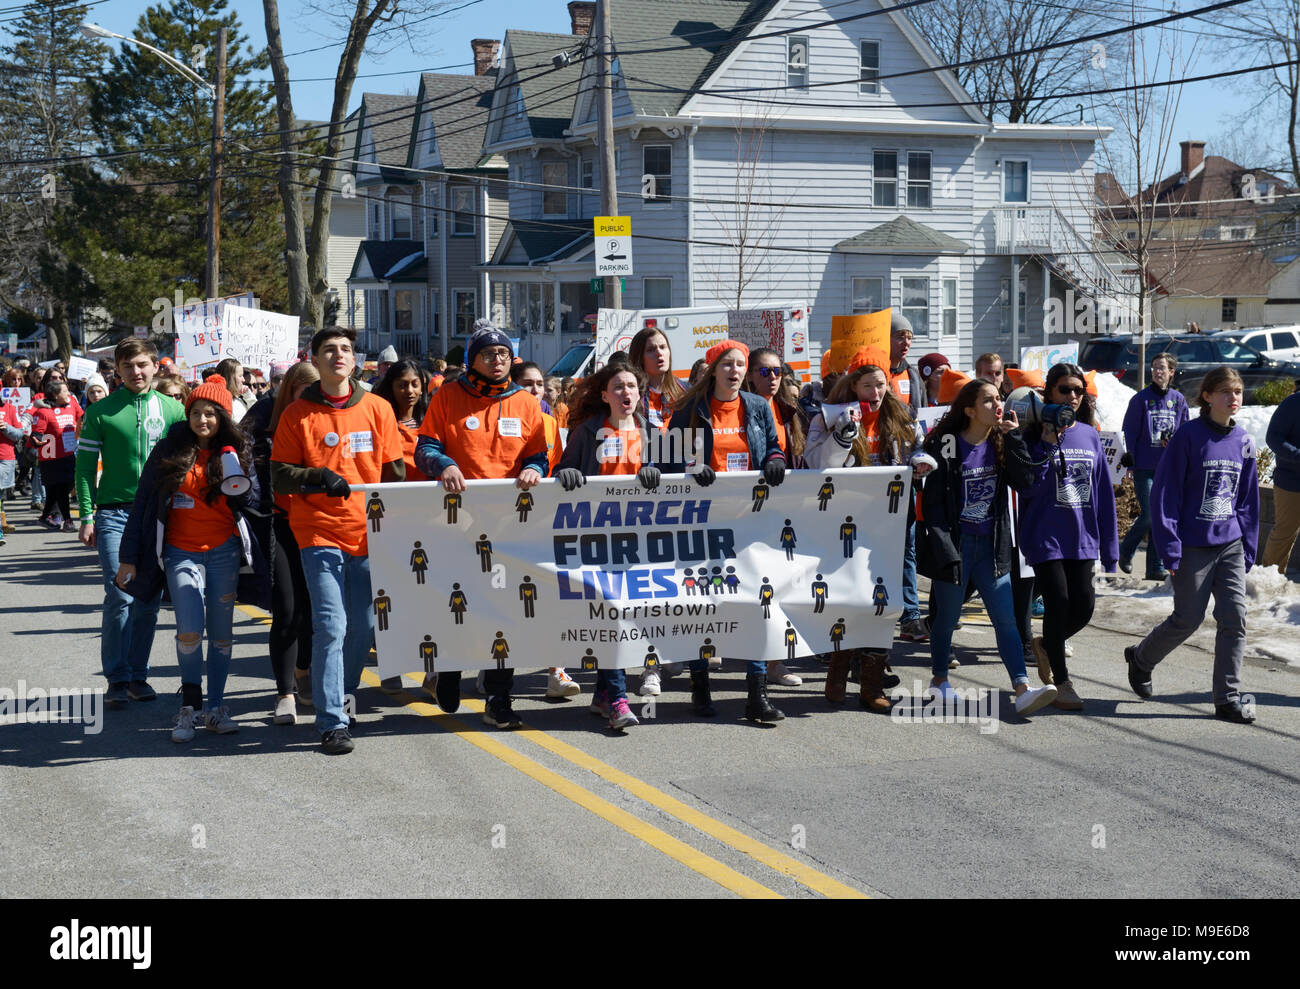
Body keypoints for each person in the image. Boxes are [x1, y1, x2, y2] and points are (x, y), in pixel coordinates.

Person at [272, 327, 405, 755]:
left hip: (367, 532)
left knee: (363, 627)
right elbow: (278, 475)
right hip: (317, 531)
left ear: (355, 359)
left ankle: (344, 692)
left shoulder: (379, 408)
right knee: (331, 624)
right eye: (329, 350)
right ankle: (331, 722)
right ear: (315, 359)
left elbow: (394, 473)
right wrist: (317, 477)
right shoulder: (298, 414)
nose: (338, 356)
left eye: (346, 349)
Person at [115, 376, 265, 742]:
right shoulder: (169, 451)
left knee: (223, 635)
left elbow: (257, 503)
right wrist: (128, 557)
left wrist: (237, 479)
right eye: (196, 413)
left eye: (211, 414)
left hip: (224, 553)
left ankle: (215, 708)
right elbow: (143, 507)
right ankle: (189, 708)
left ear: (223, 418)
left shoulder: (238, 451)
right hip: (180, 552)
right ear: (188, 415)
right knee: (190, 631)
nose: (203, 420)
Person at [415, 322, 549, 727]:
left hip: (508, 524)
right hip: (457, 520)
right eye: (489, 354)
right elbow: (426, 447)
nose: (497, 361)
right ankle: (449, 673)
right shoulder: (448, 396)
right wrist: (445, 464)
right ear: (472, 358)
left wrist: (532, 469)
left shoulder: (525, 402)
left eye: (504, 354)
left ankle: (499, 697)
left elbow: (539, 455)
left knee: (503, 610)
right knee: (460, 602)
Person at [1125, 367, 1259, 723]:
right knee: (1187, 618)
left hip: (1229, 543)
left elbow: (1246, 500)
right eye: (1227, 392)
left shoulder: (1244, 441)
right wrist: (1170, 546)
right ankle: (1141, 660)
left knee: (1235, 619)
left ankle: (1227, 698)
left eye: (1239, 392)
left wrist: (1249, 544)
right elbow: (1165, 496)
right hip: (1192, 545)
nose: (1234, 398)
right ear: (1208, 396)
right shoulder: (1188, 437)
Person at [664, 339, 788, 724]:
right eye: (728, 364)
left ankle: (757, 694)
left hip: (750, 520)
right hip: (701, 521)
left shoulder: (756, 406)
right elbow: (665, 457)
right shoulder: (688, 409)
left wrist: (774, 460)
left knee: (756, 603)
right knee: (702, 605)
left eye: (741, 365)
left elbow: (772, 446)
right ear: (714, 369)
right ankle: (700, 687)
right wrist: (689, 467)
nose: (735, 371)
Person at [805, 346, 935, 709]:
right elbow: (815, 464)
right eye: (867, 386)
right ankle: (839, 670)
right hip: (844, 525)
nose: (875, 393)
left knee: (884, 603)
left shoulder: (900, 414)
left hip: (888, 525)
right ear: (852, 386)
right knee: (848, 601)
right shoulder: (827, 418)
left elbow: (915, 450)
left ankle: (872, 687)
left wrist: (922, 462)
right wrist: (842, 437)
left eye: (880, 385)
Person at [920, 379, 1059, 715]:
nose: (997, 404)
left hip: (991, 545)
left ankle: (1022, 687)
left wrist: (1013, 439)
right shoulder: (946, 443)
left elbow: (1026, 484)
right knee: (947, 618)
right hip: (955, 545)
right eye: (988, 401)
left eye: (998, 398)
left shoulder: (1002, 438)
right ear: (969, 410)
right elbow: (933, 504)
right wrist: (943, 547)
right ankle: (939, 680)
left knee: (1007, 620)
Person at [76, 338, 187, 709]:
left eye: (142, 364)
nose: (136, 372)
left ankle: (139, 674)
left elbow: (189, 464)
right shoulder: (100, 412)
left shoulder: (174, 410)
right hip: (115, 513)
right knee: (120, 595)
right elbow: (85, 469)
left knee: (148, 600)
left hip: (159, 515)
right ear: (117, 371)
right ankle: (117, 678)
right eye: (128, 366)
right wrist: (87, 515)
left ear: (156, 366)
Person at [554, 362, 662, 729]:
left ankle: (602, 695)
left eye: (632, 386)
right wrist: (568, 474)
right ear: (604, 395)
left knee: (622, 616)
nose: (626, 393)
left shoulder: (651, 432)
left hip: (639, 542)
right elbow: (564, 472)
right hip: (597, 541)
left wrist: (657, 473)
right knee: (612, 615)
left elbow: (676, 477)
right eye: (618, 387)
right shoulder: (587, 431)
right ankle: (617, 697)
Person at [1019, 363, 1119, 710]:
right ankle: (1061, 681)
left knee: (1084, 606)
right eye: (1065, 389)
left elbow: (1103, 493)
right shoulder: (1031, 434)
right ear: (1049, 393)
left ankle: (1047, 645)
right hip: (1045, 535)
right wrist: (1045, 443)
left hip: (1082, 536)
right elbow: (1027, 487)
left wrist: (1111, 546)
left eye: (1078, 390)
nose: (1073, 396)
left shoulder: (1090, 434)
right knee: (1058, 601)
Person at [1120, 353, 1189, 579]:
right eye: (1154, 367)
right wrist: (1130, 460)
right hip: (1144, 467)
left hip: (1168, 468)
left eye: (1162, 368)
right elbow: (1130, 431)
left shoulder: (1178, 400)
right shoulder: (1140, 399)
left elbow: (1186, 431)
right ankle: (1125, 550)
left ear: (1171, 372)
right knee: (1150, 514)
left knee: (1161, 517)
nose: (1157, 371)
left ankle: (1155, 568)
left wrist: (1176, 443)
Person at [26, 380, 81, 530]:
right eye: (65, 391)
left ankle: (44, 517)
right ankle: (68, 521)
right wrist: (36, 440)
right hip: (51, 459)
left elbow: (83, 418)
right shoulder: (44, 412)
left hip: (69, 454)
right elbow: (37, 433)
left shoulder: (72, 405)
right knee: (61, 490)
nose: (69, 393)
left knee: (61, 489)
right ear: (56, 395)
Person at [1261, 384, 1300, 572]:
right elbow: (1273, 437)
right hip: (1292, 481)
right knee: (1284, 533)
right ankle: (1268, 581)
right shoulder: (1292, 403)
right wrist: (1297, 455)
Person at [628, 326, 686, 433]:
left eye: (663, 347)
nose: (659, 353)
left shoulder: (685, 391)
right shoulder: (631, 395)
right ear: (639, 357)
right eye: (651, 350)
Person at [886, 312, 923, 414]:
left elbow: (924, 410)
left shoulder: (913, 375)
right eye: (900, 337)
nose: (906, 342)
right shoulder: (875, 375)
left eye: (909, 338)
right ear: (886, 339)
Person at [215, 357, 247, 423]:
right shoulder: (219, 403)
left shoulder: (240, 399)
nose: (243, 380)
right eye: (240, 376)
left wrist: (248, 395)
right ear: (229, 378)